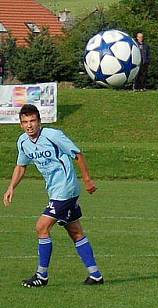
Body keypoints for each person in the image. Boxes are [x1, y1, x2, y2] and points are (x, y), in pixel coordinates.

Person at [3, 104, 104, 287]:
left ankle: (41, 276)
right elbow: (21, 166)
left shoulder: (53, 135)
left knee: (41, 227)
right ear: (20, 124)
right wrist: (11, 187)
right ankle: (95, 274)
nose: (29, 125)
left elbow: (77, 154)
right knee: (75, 232)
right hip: (54, 190)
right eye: (25, 122)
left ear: (39, 121)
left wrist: (87, 180)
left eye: (32, 120)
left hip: (66, 189)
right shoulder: (23, 142)